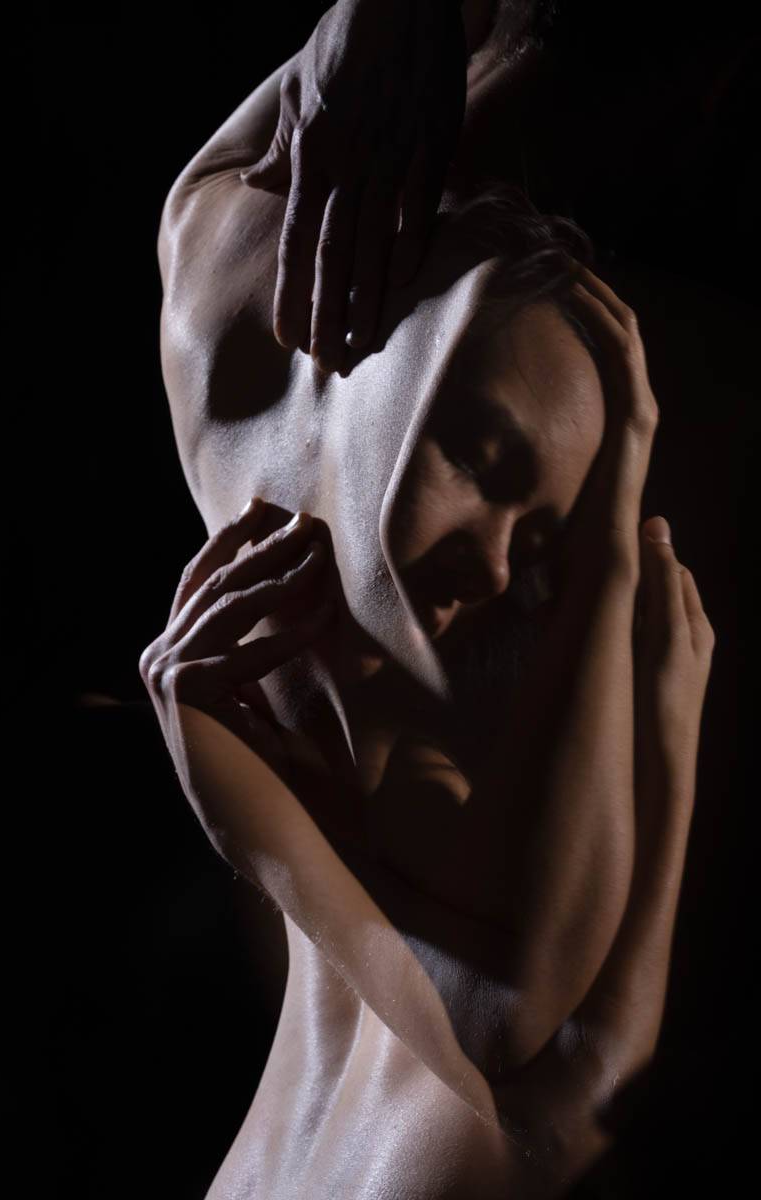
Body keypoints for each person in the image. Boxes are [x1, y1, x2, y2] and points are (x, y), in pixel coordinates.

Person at [140, 2, 715, 1195]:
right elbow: (526, 1040)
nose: (501, 569)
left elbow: (277, 128)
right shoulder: (550, 393)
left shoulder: (215, 269)